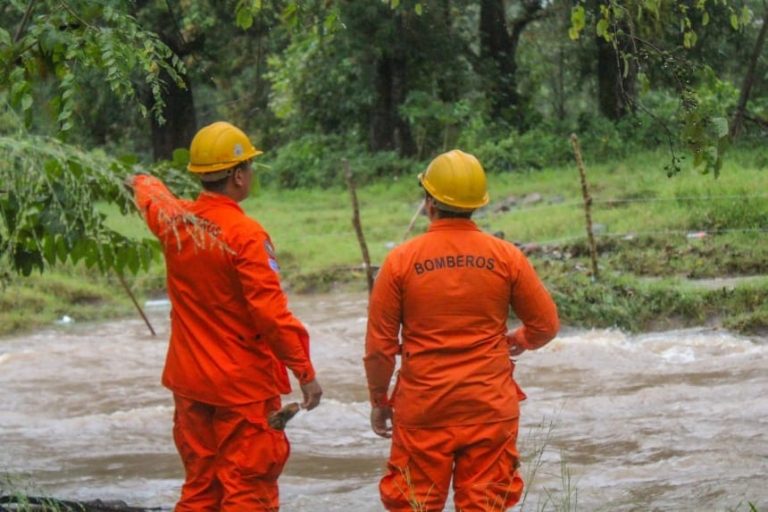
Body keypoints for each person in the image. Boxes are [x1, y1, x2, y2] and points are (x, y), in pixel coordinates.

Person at [129, 121, 323, 511]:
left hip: (190, 383)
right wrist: (305, 372)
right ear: (237, 176)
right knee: (248, 490)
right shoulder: (246, 235)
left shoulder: (176, 222)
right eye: (248, 167)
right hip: (243, 390)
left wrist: (138, 179)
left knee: (201, 487)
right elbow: (270, 313)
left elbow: (151, 196)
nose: (250, 174)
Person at [364, 149, 559, 511]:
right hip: (489, 408)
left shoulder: (400, 262)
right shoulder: (506, 257)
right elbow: (546, 326)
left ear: (429, 202)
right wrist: (518, 340)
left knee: (415, 506)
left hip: (424, 410)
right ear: (477, 204)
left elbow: (379, 348)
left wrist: (380, 402)